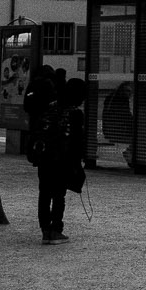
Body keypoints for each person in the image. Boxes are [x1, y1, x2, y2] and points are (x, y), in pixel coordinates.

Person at [38, 79, 88, 244]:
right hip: (63, 159)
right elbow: (77, 141)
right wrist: (78, 161)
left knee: (44, 193)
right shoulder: (75, 113)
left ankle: (45, 230)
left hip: (45, 157)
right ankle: (56, 229)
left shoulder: (49, 107)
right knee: (59, 195)